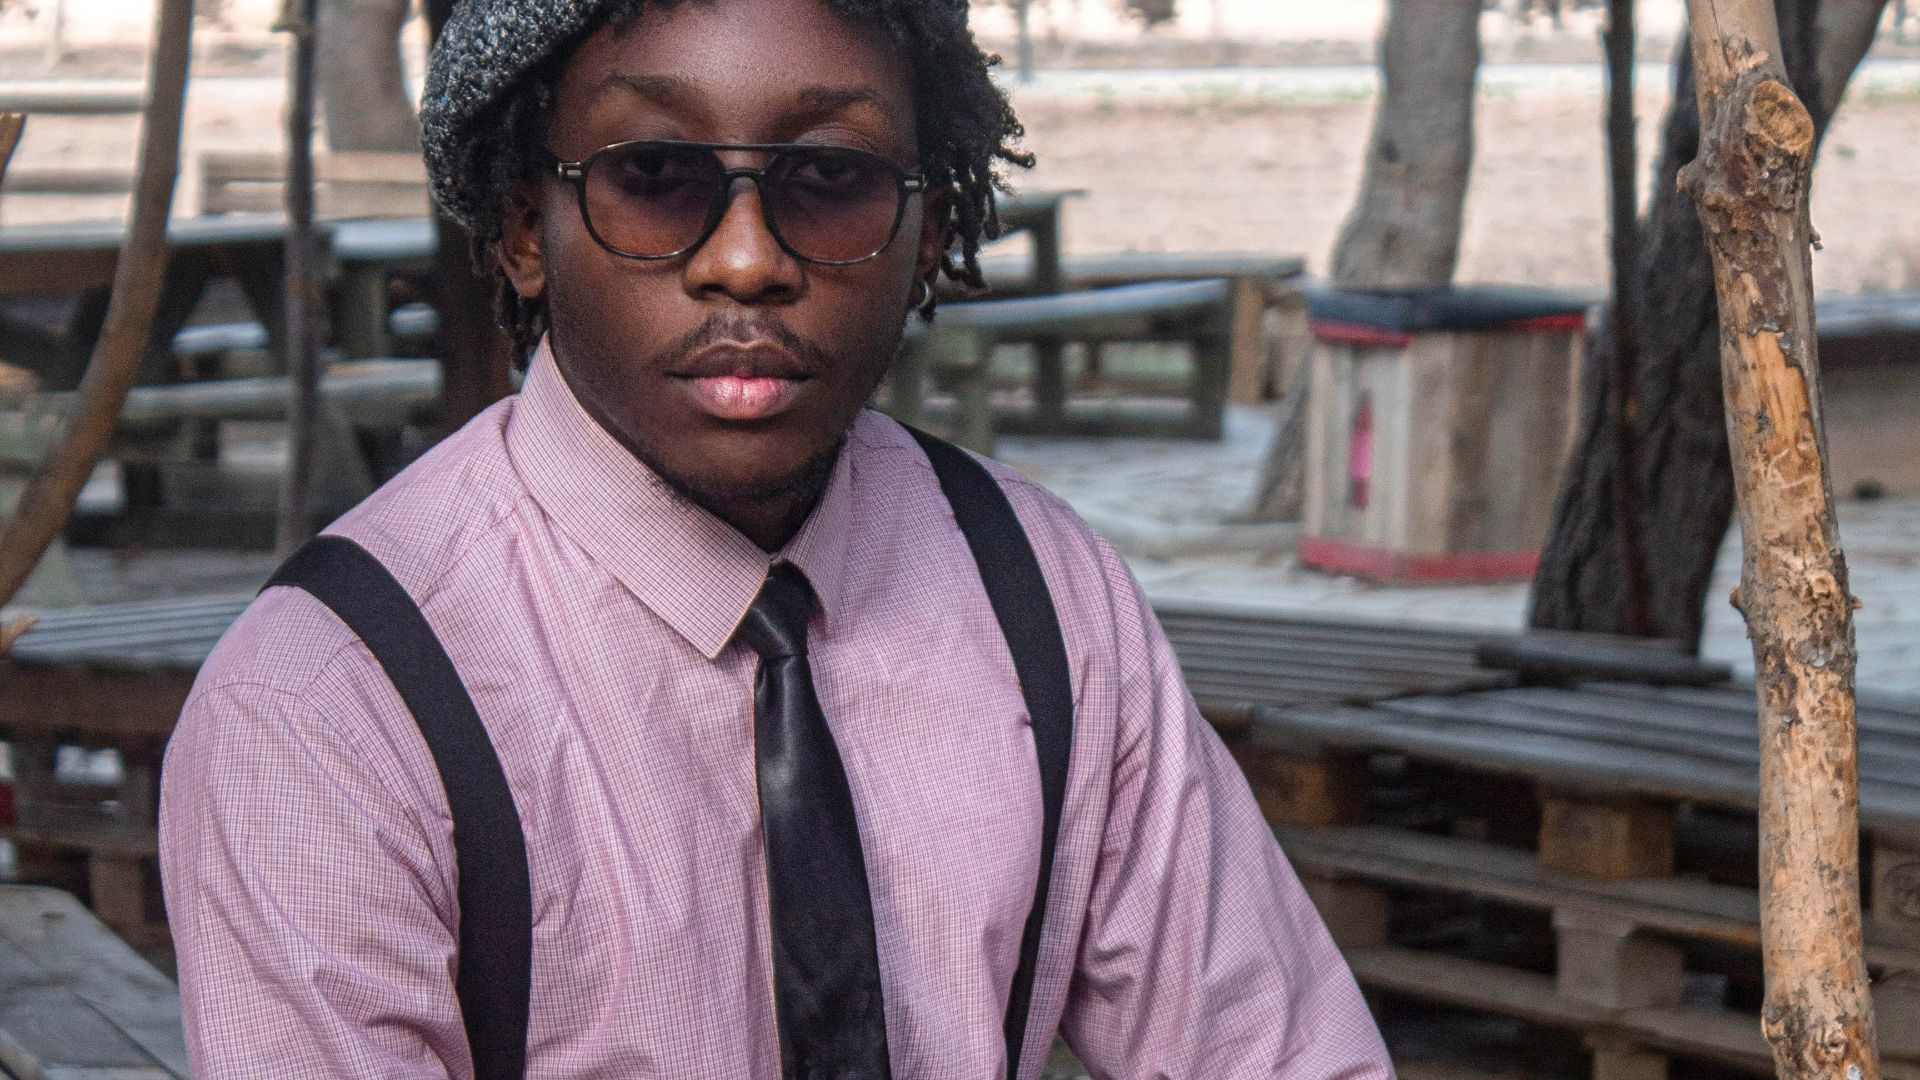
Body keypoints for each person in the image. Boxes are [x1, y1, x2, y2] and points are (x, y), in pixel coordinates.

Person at [158, 0, 1392, 1076]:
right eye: (654, 174)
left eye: (828, 179)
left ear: (926, 229)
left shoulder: (1043, 595)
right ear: (526, 228)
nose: (746, 262)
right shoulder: (333, 706)